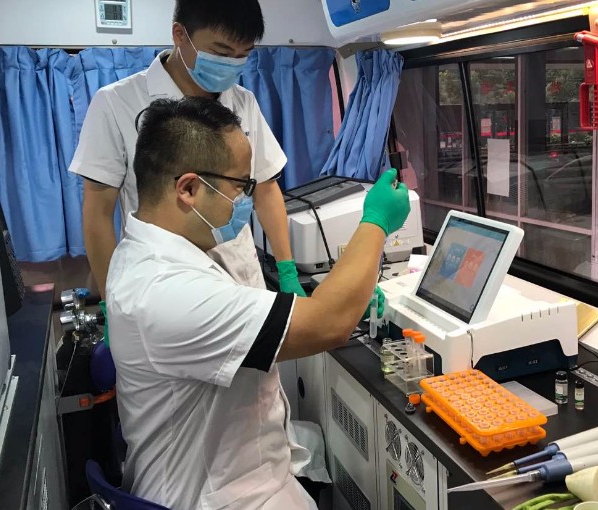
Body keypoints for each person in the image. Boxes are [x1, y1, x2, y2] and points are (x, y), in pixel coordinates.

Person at [107, 96, 410, 509]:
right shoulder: (164, 290)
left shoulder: (152, 253)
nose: (247, 200)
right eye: (240, 186)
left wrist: (345, 284)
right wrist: (375, 222)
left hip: (239, 476)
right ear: (189, 189)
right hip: (219, 498)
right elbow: (330, 323)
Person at [70, 0, 307, 299]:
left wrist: (287, 271)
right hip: (162, 284)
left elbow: (265, 186)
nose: (232, 64)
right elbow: (98, 212)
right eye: (221, 53)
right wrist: (110, 298)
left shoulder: (243, 101)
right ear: (180, 34)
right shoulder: (116, 103)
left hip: (240, 281)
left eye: (243, 55)